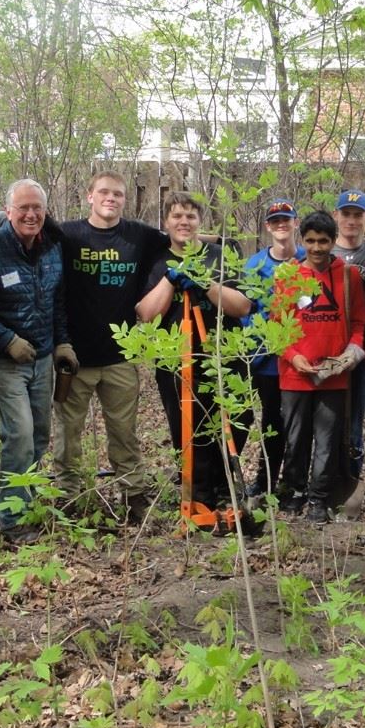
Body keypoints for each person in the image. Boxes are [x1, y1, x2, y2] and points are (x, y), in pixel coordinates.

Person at [0, 179, 78, 542]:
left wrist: (63, 344)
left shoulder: (52, 247)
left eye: (37, 208)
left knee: (39, 435)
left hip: (42, 359)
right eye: (22, 208)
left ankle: (32, 503)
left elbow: (57, 300)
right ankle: (12, 520)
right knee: (20, 434)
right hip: (6, 360)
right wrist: (6, 340)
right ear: (8, 211)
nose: (30, 214)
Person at [55, 171, 170, 522]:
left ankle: (134, 495)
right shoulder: (67, 234)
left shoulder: (138, 236)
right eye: (104, 192)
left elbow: (180, 239)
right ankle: (67, 498)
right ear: (89, 195)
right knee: (68, 433)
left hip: (121, 355)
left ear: (125, 200)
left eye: (118, 194)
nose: (111, 198)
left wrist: (215, 244)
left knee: (124, 431)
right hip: (74, 356)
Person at [136, 192, 252, 510]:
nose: (184, 222)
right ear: (166, 222)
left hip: (224, 355)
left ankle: (225, 486)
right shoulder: (157, 260)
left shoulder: (219, 255)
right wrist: (171, 280)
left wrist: (206, 285)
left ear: (200, 221)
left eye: (190, 216)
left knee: (239, 416)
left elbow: (242, 306)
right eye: (176, 216)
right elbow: (146, 313)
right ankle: (198, 494)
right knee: (188, 424)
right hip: (176, 359)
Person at [271, 212, 365, 524]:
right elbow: (276, 329)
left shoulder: (349, 276)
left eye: (323, 241)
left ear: (333, 240)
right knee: (296, 439)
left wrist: (347, 357)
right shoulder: (288, 276)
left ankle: (319, 499)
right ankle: (293, 493)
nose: (317, 247)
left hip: (333, 377)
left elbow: (358, 325)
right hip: (294, 375)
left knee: (327, 441)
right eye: (310, 241)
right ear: (303, 241)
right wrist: (293, 356)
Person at [242, 198, 305, 496]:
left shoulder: (308, 260)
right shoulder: (255, 264)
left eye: (286, 219)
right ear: (268, 227)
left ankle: (294, 482)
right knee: (270, 419)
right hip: (264, 360)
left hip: (299, 358)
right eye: (275, 220)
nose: (281, 224)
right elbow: (245, 310)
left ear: (295, 223)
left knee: (296, 423)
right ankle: (264, 481)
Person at [330, 189, 365, 480]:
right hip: (328, 348)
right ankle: (324, 476)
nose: (352, 221)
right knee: (328, 417)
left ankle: (351, 476)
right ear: (336, 216)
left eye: (358, 215)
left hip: (361, 349)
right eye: (346, 214)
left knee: (354, 416)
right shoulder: (323, 252)